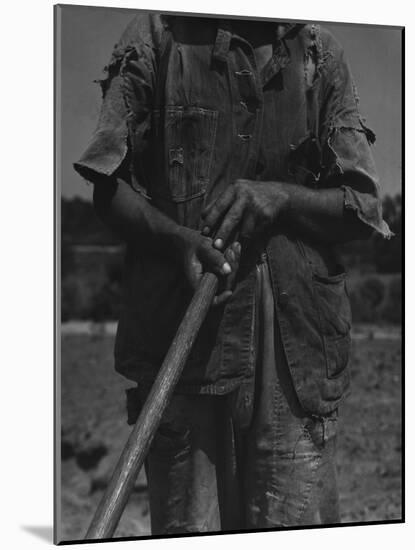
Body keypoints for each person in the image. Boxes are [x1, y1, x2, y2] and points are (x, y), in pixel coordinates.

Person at [74, 13, 391, 534]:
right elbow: (108, 187)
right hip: (183, 340)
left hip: (297, 353)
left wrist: (282, 198)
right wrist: (178, 240)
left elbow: (361, 207)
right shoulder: (157, 39)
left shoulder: (319, 51)